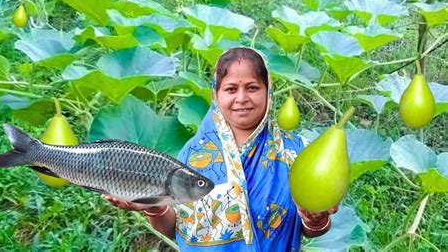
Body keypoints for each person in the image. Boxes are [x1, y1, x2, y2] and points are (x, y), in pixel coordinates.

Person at [103, 47, 339, 250]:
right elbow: (174, 228)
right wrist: (153, 206)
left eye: (252, 87)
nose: (242, 98)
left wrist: (316, 220)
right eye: (230, 89)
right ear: (216, 94)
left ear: (268, 91)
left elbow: (310, 230)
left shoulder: (297, 152)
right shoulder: (194, 154)